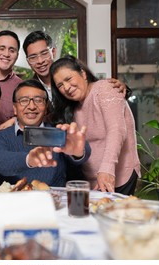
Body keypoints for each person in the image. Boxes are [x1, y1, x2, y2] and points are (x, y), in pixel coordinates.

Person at [50, 55, 141, 195]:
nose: (66, 88)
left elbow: (116, 130)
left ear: (83, 73)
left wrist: (106, 169)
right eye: (60, 85)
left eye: (68, 79)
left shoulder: (104, 89)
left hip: (117, 175)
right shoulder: (73, 108)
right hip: (93, 181)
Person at [0, 79, 91, 187]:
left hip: (54, 200)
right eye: (24, 100)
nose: (31, 107)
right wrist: (29, 159)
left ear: (46, 108)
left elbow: (81, 152)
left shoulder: (57, 133)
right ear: (15, 108)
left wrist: (79, 152)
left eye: (38, 100)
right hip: (14, 200)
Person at [22, 30, 132, 101]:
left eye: (44, 53)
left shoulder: (73, 75)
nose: (40, 61)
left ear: (53, 52)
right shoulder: (29, 89)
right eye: (33, 57)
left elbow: (97, 89)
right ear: (28, 61)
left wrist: (121, 87)